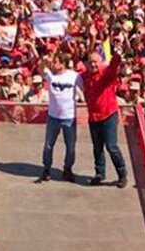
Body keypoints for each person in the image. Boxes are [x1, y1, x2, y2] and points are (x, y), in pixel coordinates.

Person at [79, 49, 127, 187]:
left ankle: (122, 174)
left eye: (95, 62)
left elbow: (113, 67)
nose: (93, 64)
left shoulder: (106, 74)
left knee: (111, 146)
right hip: (94, 117)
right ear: (87, 64)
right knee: (97, 147)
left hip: (109, 114)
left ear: (100, 63)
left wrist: (117, 54)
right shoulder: (84, 76)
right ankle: (100, 173)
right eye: (90, 62)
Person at [40, 50, 83, 182]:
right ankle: (47, 168)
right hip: (53, 116)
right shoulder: (51, 76)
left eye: (56, 62)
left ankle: (67, 169)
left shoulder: (75, 76)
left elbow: (84, 88)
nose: (53, 64)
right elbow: (41, 69)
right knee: (48, 145)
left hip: (69, 117)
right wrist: (44, 60)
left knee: (70, 147)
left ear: (63, 63)